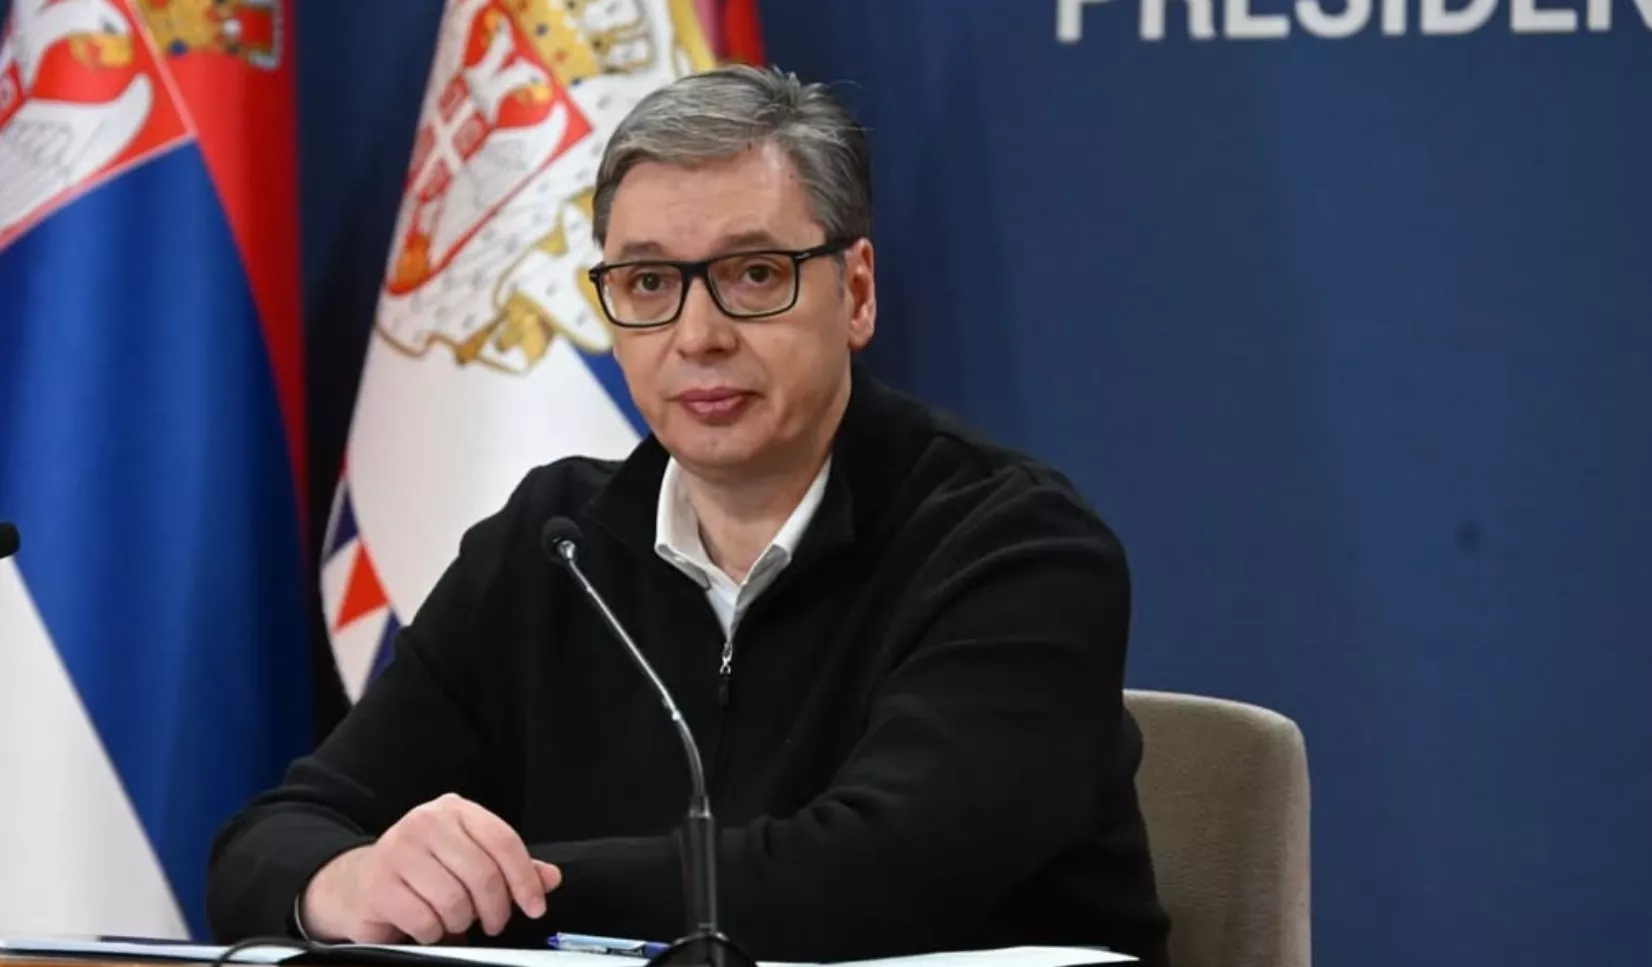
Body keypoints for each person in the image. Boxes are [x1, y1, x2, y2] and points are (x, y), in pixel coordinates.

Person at [206, 64, 1171, 966]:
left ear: (857, 292)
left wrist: (497, 889)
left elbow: (869, 881)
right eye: (649, 283)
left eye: (755, 274)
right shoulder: (555, 544)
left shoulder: (1013, 546)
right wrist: (350, 881)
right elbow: (276, 834)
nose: (698, 335)